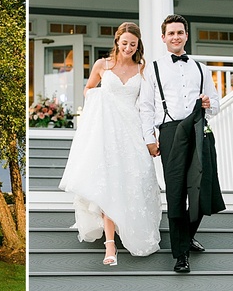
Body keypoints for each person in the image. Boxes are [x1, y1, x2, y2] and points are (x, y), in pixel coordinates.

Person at [59, 22, 162, 266]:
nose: (128, 47)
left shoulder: (143, 69)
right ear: (117, 42)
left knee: (133, 181)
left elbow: (147, 105)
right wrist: (100, 99)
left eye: (133, 44)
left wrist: (151, 136)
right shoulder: (102, 65)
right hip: (106, 132)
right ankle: (110, 245)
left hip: (132, 132)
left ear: (138, 46)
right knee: (109, 184)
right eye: (124, 43)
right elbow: (88, 89)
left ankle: (131, 227)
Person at [139, 14, 221, 273]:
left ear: (186, 35)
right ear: (163, 38)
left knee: (201, 186)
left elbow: (216, 103)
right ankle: (180, 254)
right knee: (176, 192)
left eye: (180, 32)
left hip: (199, 130)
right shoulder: (152, 68)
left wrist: (209, 104)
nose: (176, 37)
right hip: (171, 131)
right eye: (171, 33)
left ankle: (187, 235)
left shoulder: (201, 68)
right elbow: (145, 107)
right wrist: (150, 139)